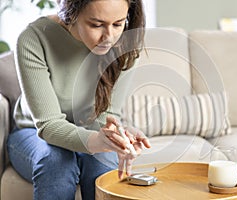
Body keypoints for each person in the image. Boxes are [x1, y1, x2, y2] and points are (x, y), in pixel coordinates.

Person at [7, 0, 151, 199]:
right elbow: (49, 125)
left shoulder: (125, 43)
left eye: (118, 24)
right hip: (31, 133)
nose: (109, 37)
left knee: (102, 163)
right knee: (57, 162)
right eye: (96, 25)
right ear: (71, 13)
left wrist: (119, 137)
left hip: (88, 130)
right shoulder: (34, 38)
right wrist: (97, 140)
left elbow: (105, 118)